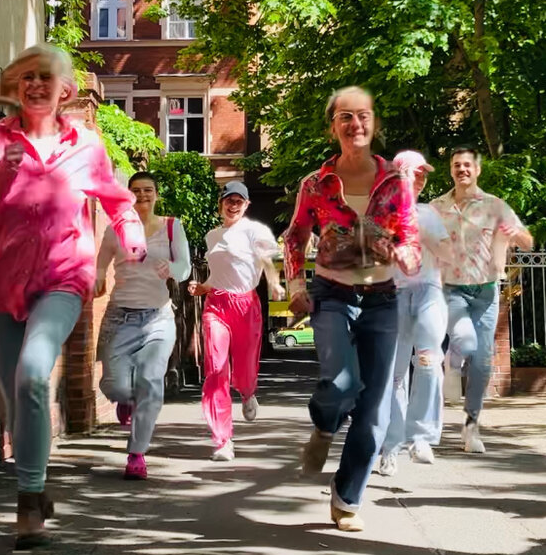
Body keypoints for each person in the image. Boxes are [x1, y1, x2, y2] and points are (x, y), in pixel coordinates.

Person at [0, 43, 146, 549]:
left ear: (65, 91)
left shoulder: (87, 146)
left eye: (46, 78)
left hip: (62, 278)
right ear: (18, 87)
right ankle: (34, 482)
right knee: (20, 398)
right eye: (27, 78)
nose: (35, 86)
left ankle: (29, 499)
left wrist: (132, 235)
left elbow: (117, 200)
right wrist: (3, 174)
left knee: (34, 374)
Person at [283, 86, 420, 532]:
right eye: (345, 117)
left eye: (363, 116)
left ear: (373, 122)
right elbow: (294, 237)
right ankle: (324, 427)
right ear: (333, 126)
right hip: (332, 294)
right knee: (340, 382)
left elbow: (410, 236)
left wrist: (407, 257)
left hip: (382, 299)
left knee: (375, 409)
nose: (355, 124)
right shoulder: (315, 184)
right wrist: (297, 286)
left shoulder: (395, 182)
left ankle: (346, 499)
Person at [431, 146, 532, 454]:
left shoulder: (495, 206)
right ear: (451, 170)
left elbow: (528, 243)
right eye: (456, 165)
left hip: (486, 291)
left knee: (484, 362)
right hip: (451, 288)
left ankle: (471, 426)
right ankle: (452, 361)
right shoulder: (437, 207)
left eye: (467, 165)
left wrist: (516, 233)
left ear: (477, 170)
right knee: (464, 339)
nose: (462, 169)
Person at [95, 171, 191, 480]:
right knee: (114, 385)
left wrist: (172, 268)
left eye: (149, 190)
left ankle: (136, 454)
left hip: (158, 318)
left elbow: (186, 267)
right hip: (120, 317)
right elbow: (100, 263)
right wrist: (97, 277)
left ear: (156, 194)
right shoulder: (115, 230)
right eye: (137, 190)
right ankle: (126, 399)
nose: (143, 195)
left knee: (151, 381)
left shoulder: (172, 227)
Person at [189, 181, 283, 461]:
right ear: (221, 203)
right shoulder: (212, 236)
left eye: (239, 201)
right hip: (216, 304)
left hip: (246, 306)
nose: (233, 205)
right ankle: (222, 440)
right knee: (216, 369)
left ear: (246, 205)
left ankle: (248, 392)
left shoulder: (255, 230)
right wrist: (203, 287)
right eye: (229, 200)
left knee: (244, 369)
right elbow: (219, 275)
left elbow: (267, 261)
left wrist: (275, 283)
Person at [378, 150, 454, 475]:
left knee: (428, 360)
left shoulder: (429, 212)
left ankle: (421, 436)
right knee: (393, 376)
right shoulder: (381, 212)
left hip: (428, 292)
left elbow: (449, 253)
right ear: (400, 174)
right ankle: (390, 445)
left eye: (425, 173)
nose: (421, 178)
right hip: (393, 295)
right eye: (416, 172)